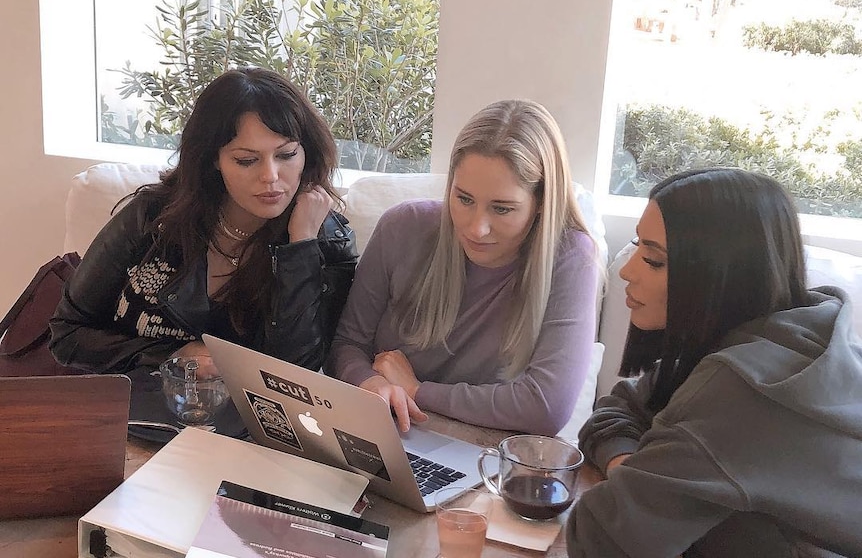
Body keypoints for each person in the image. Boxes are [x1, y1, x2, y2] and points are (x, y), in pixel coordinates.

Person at [567, 168, 862, 557]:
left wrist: (646, 485)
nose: (627, 270)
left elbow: (598, 538)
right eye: (638, 245)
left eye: (653, 260)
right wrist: (636, 469)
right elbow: (618, 409)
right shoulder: (787, 334)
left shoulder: (744, 388)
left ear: (722, 273)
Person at [50, 67, 358, 376]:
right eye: (246, 160)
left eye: (287, 155)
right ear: (214, 159)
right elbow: (67, 333)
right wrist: (174, 355)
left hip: (235, 423)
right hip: (131, 409)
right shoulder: (152, 217)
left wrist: (301, 243)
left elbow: (295, 377)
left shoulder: (328, 242)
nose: (271, 177)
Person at [325, 99, 601, 435]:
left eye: (502, 209)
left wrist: (417, 391)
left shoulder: (571, 256)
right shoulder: (402, 227)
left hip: (483, 453)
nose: (475, 228)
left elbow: (545, 407)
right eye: (464, 199)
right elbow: (346, 344)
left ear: (541, 203)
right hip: (387, 431)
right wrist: (369, 383)